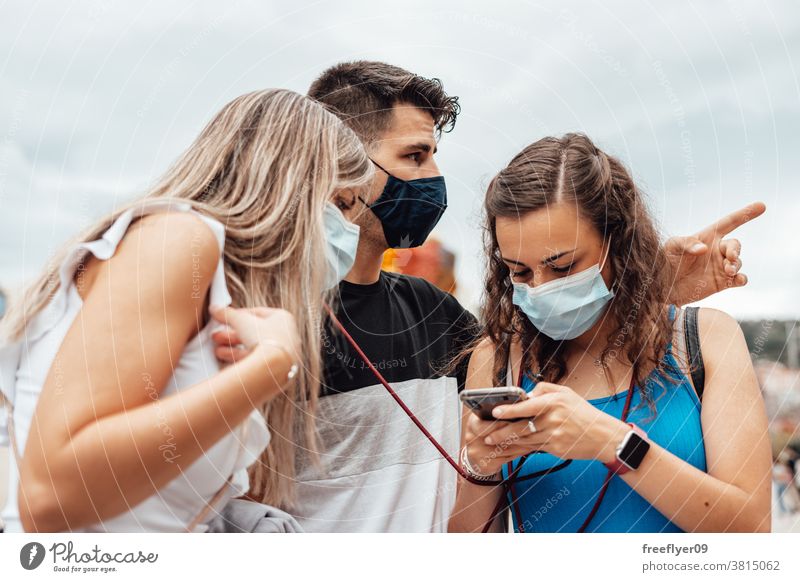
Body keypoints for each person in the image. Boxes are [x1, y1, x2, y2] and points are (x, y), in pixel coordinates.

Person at [214, 61, 763, 533]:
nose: (434, 178)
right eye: (414, 156)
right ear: (341, 166)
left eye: (563, 266)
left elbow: (576, 331)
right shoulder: (261, 319)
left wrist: (644, 285)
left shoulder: (438, 316)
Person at [0, 89, 373, 532]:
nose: (348, 230)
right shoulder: (179, 238)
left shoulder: (214, 293)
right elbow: (51, 497)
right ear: (291, 186)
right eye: (343, 204)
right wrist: (270, 368)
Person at [448, 133, 772, 533]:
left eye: (563, 267)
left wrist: (612, 443)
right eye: (520, 271)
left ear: (617, 242)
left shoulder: (703, 339)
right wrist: (478, 467)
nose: (540, 287)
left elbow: (752, 530)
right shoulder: (498, 360)